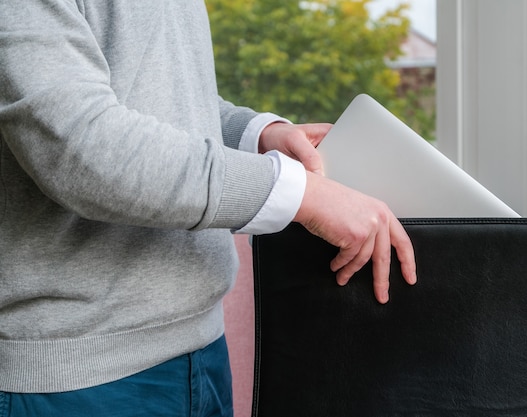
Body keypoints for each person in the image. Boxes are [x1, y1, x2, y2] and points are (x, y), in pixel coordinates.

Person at [0, 1, 417, 416]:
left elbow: (163, 98)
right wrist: (300, 194)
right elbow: (79, 147)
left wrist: (256, 136)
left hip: (202, 350)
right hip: (75, 379)